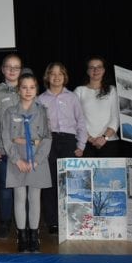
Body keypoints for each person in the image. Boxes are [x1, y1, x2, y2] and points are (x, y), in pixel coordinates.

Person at [2, 73, 52, 252]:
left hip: (38, 160)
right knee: (19, 197)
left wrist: (36, 161)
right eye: (24, 87)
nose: (28, 91)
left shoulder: (42, 111)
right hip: (17, 160)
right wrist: (17, 160)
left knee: (34, 198)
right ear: (18, 90)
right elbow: (6, 138)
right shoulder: (10, 112)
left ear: (36, 89)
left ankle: (34, 235)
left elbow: (47, 138)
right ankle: (22, 235)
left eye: (32, 87)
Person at [37, 62, 87, 235]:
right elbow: (37, 125)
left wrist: (81, 145)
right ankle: (53, 222)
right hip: (49, 141)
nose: (56, 77)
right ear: (47, 77)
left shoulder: (72, 97)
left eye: (60, 74)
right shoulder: (40, 99)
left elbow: (81, 122)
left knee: (70, 182)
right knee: (49, 182)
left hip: (69, 141)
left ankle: (71, 220)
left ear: (65, 77)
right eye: (53, 73)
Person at [0, 53, 23, 239]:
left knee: (23, 188)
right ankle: (5, 223)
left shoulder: (27, 90)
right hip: (2, 149)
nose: (12, 70)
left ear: (21, 70)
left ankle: (23, 225)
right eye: (8, 67)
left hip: (23, 150)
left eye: (16, 67)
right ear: (3, 69)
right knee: (5, 187)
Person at [74, 56, 120, 157]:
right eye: (92, 67)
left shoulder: (112, 90)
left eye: (99, 67)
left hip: (109, 142)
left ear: (104, 70)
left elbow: (116, 117)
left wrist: (104, 137)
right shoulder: (79, 91)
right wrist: (89, 138)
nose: (95, 70)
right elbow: (75, 118)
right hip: (84, 143)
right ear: (87, 71)